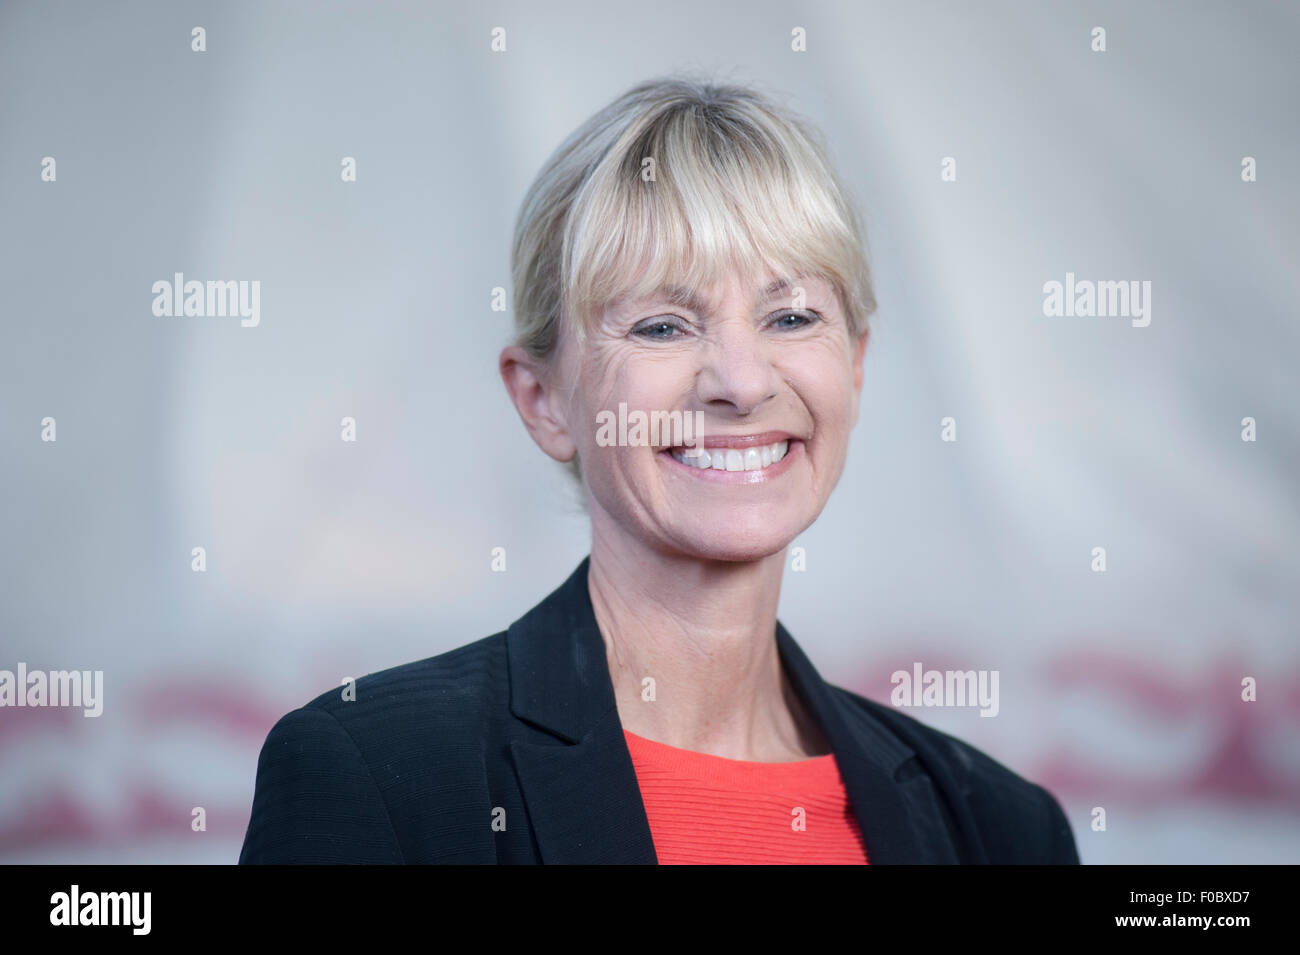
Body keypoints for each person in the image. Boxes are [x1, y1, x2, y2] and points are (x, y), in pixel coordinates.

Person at [238, 75, 1080, 864]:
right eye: (663, 327)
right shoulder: (377, 777)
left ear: (854, 365)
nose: (743, 383)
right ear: (543, 400)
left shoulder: (1001, 829)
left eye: (791, 315)